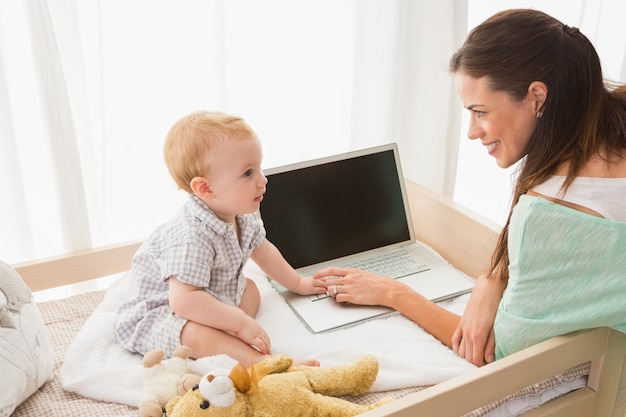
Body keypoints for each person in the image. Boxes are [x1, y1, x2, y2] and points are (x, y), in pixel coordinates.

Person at [314, 8, 626, 367]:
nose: (472, 132)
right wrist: (491, 278)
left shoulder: (547, 214)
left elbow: (497, 356)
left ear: (537, 98)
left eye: (480, 111)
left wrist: (393, 292)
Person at [115, 111, 325, 367]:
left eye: (259, 167)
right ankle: (260, 362)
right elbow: (183, 300)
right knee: (194, 334)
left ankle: (226, 335)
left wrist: (298, 282)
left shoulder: (240, 215)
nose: (263, 180)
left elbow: (264, 250)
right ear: (205, 189)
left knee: (251, 288)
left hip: (209, 293)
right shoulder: (190, 236)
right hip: (164, 310)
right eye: (248, 173)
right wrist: (239, 321)